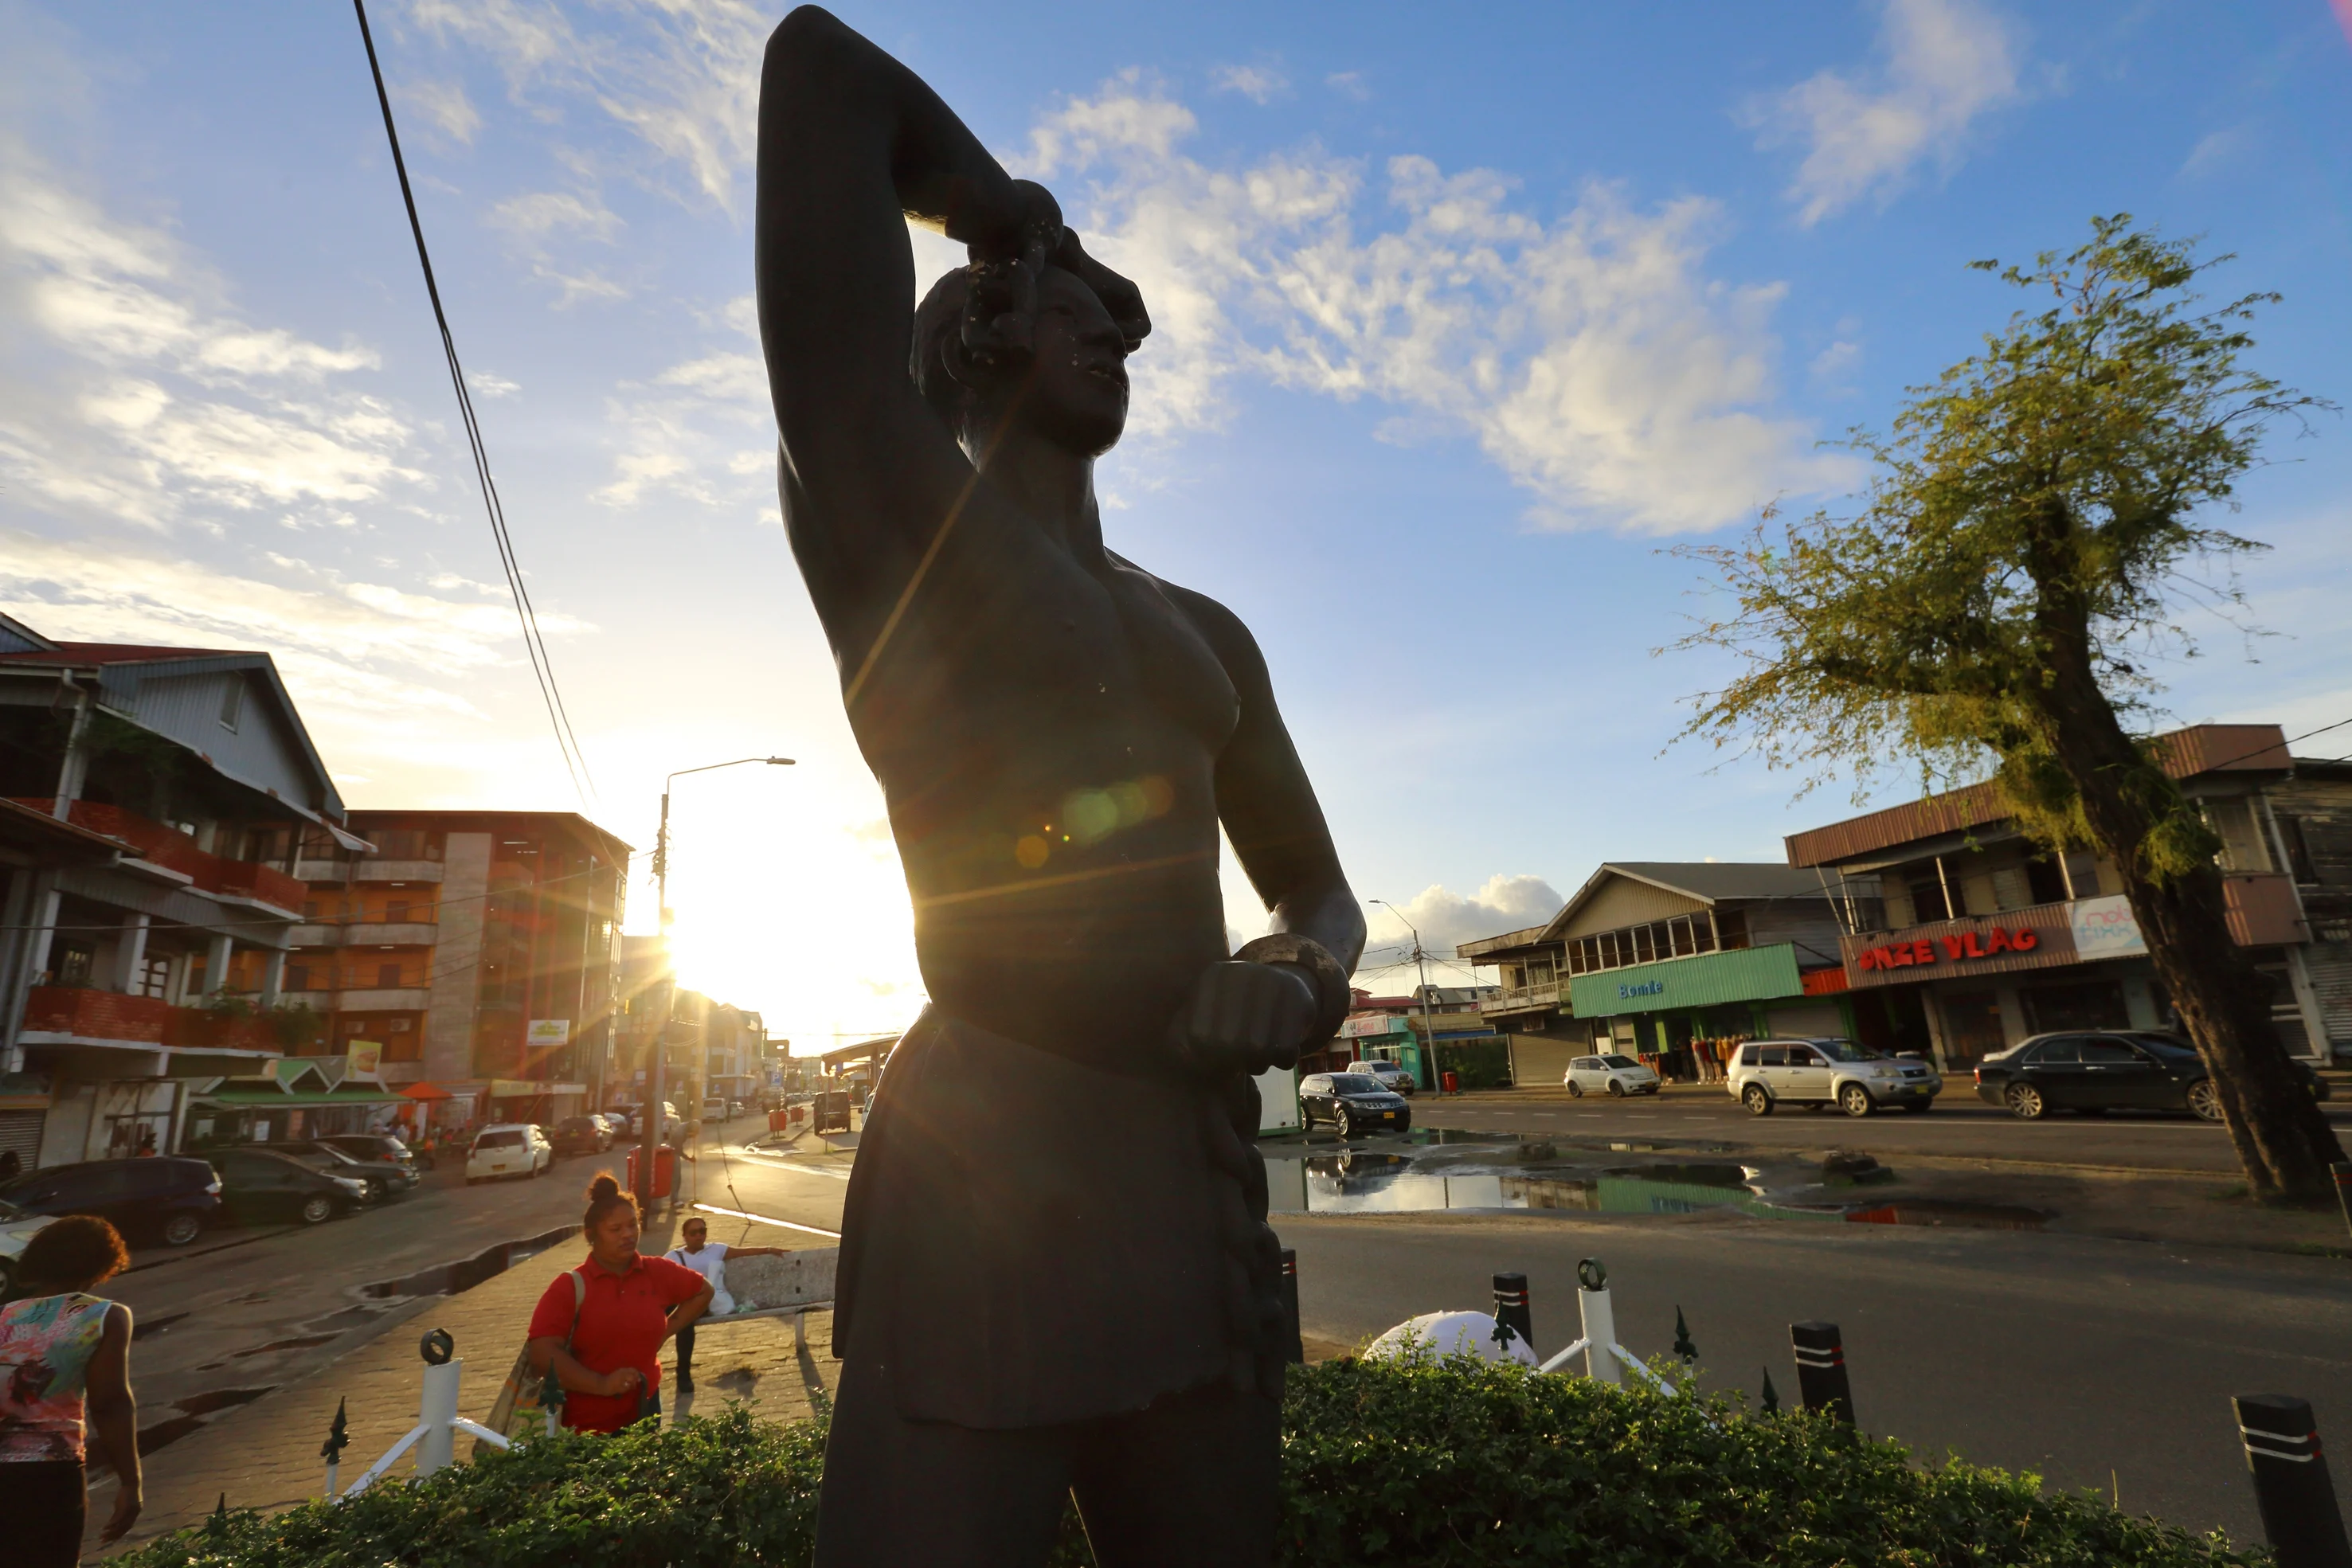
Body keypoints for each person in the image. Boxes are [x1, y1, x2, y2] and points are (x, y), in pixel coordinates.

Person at [757, 11, 1364, 1564]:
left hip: (1186, 1169)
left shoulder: (1205, 630)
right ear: (974, 336)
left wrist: (1294, 969)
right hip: (986, 1159)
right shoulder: (902, 528)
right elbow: (820, 69)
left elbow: (1315, 886)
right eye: (1070, 313)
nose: (1106, 334)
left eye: (1114, 318)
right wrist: (1002, 211)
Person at [0, 1216, 142, 1566]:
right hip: (49, 1473)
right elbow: (109, 1404)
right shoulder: (103, 1316)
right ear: (103, 1263)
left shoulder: (2, 1314)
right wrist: (130, 1483)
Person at [526, 1175, 712, 1433]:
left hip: (645, 1414)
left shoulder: (656, 1270)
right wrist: (601, 1384)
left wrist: (665, 1333)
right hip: (583, 1427)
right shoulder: (570, 1287)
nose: (627, 1235)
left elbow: (703, 1291)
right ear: (592, 1236)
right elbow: (542, 1354)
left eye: (632, 1225)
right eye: (615, 1229)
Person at [661, 1217, 792, 1393]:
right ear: (684, 1236)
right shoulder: (673, 1257)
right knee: (669, 1312)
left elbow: (745, 1252)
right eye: (694, 1233)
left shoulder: (716, 1250)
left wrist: (769, 1249)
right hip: (682, 1302)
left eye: (702, 1231)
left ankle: (683, 1374)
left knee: (685, 1319)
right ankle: (643, 1357)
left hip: (707, 1303)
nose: (699, 1236)